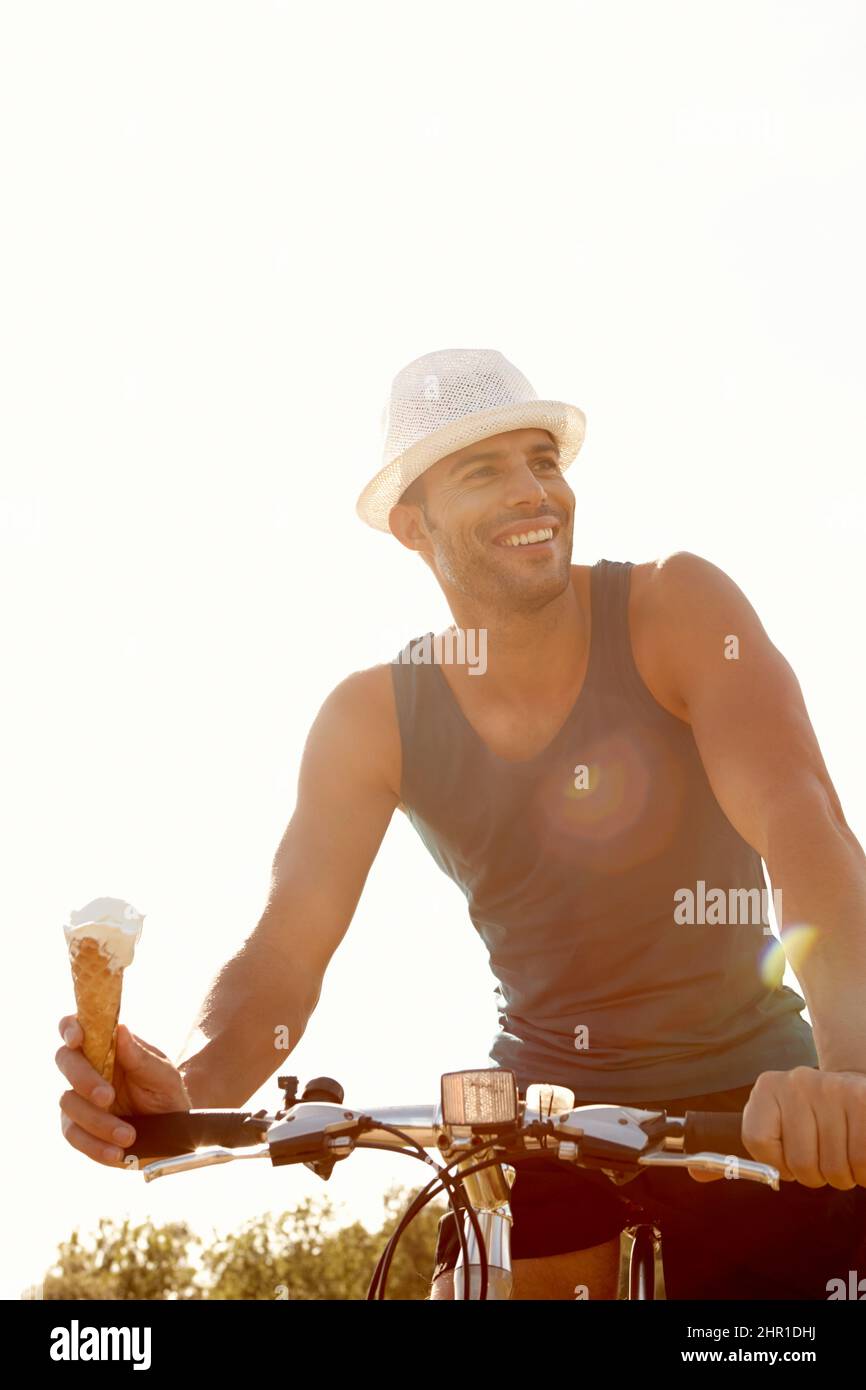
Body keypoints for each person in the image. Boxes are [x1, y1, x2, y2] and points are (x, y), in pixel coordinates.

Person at [57, 347, 866, 1299]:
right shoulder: (372, 719)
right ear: (413, 527)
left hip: (766, 1114)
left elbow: (798, 819)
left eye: (543, 461)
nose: (535, 492)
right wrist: (190, 1090)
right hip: (539, 1126)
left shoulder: (675, 607)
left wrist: (850, 1069)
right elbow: (282, 960)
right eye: (485, 470)